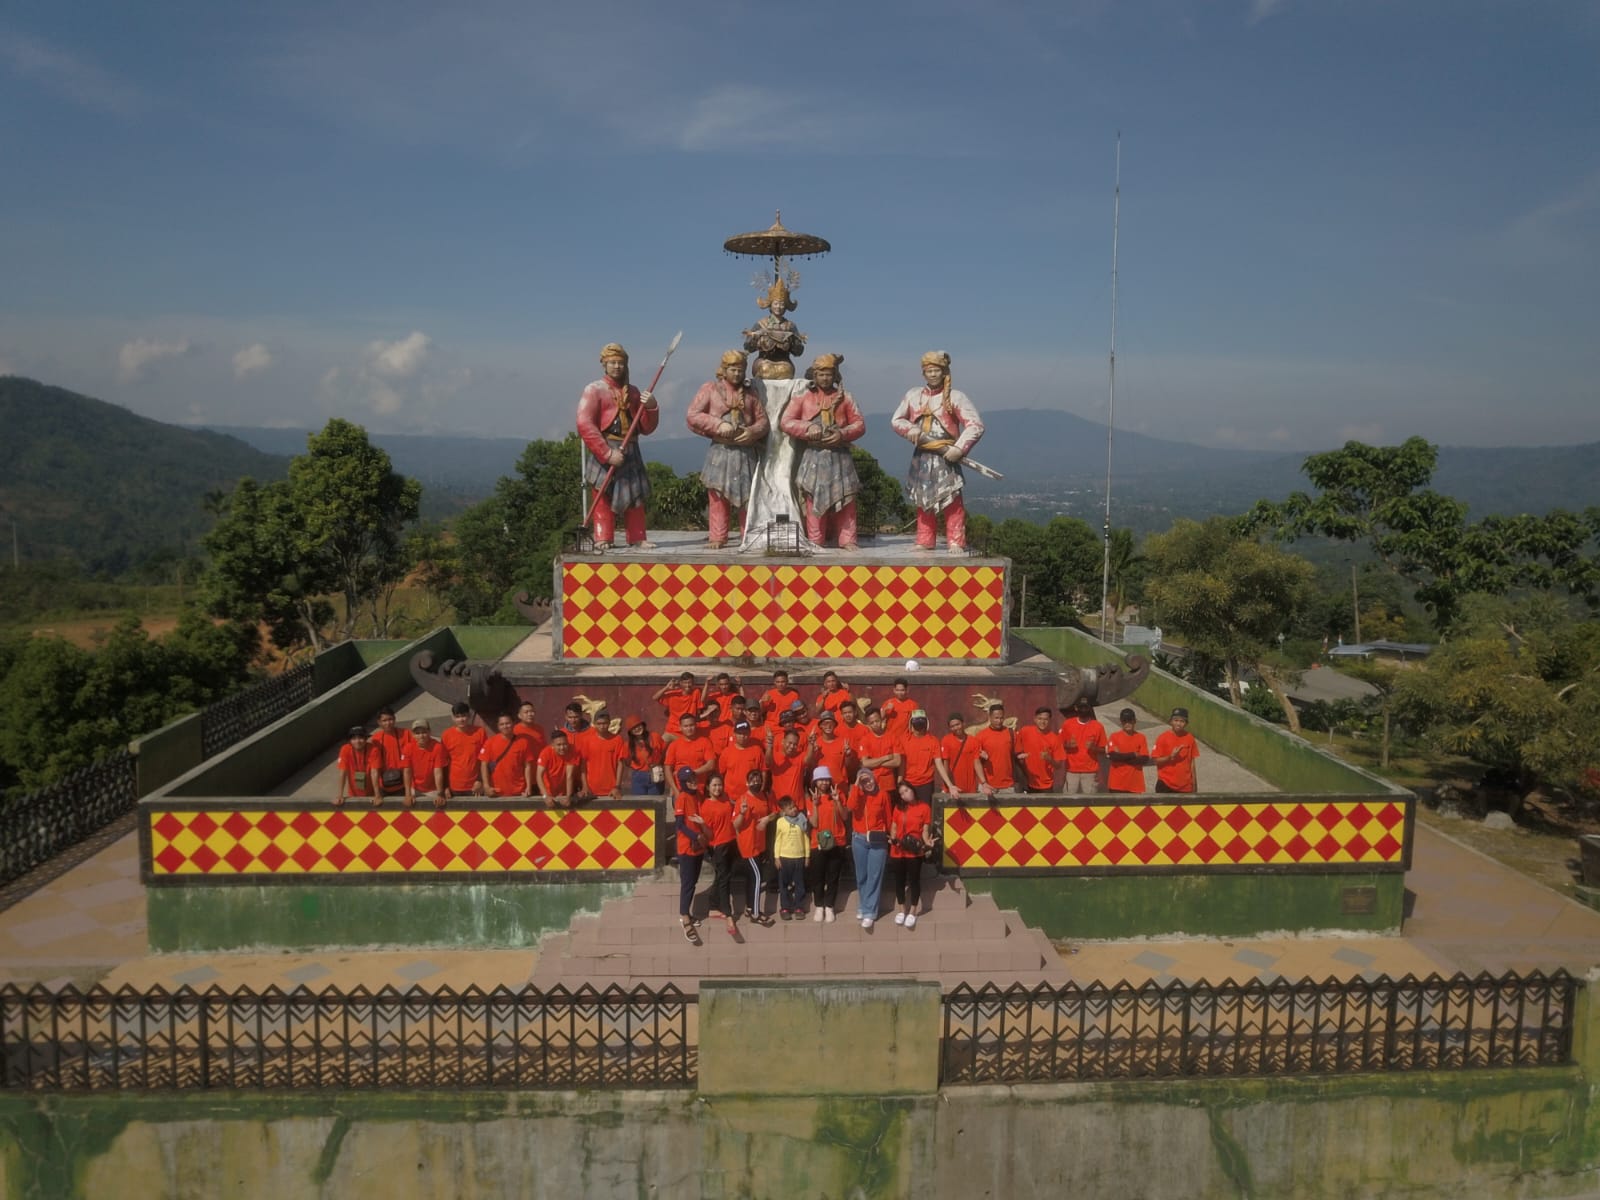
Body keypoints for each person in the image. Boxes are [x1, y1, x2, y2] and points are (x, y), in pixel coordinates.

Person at [889, 349, 985, 553]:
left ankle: (956, 541)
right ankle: (925, 539)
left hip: (946, 456)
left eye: (936, 370)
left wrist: (959, 448)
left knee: (952, 498)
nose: (933, 374)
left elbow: (975, 425)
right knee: (923, 498)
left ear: (944, 372)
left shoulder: (956, 397)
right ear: (923, 373)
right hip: (922, 455)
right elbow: (897, 420)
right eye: (929, 371)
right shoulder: (913, 395)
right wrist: (911, 428)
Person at [576, 342, 660, 549]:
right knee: (603, 494)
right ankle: (603, 536)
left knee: (635, 496)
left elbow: (645, 427)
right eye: (612, 363)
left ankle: (637, 536)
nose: (616, 367)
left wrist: (651, 407)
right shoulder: (594, 389)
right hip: (606, 446)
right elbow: (584, 423)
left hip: (630, 447)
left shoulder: (632, 392)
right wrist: (606, 453)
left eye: (620, 363)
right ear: (604, 365)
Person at [781, 353, 865, 549]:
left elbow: (859, 424)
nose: (825, 378)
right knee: (812, 499)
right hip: (814, 456)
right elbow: (786, 422)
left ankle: (847, 539)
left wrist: (843, 434)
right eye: (821, 374)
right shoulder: (802, 398)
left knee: (846, 499)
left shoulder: (846, 398)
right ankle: (815, 539)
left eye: (829, 374)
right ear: (814, 376)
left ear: (835, 376)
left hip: (840, 457)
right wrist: (808, 428)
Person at [687, 350, 770, 548]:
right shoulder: (710, 389)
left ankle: (747, 535)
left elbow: (763, 422)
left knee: (749, 498)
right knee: (717, 496)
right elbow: (693, 415)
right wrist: (717, 425)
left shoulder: (750, 393)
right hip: (720, 452)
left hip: (745, 453)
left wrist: (751, 432)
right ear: (724, 370)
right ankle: (718, 536)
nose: (737, 374)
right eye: (733, 369)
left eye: (740, 370)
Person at [846, 767, 891, 930]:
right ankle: (863, 906)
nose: (868, 783)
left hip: (877, 840)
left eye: (869, 779)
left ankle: (870, 912)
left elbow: (888, 817)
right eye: (864, 781)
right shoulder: (857, 794)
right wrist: (857, 785)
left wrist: (889, 836)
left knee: (874, 876)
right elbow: (850, 806)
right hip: (859, 839)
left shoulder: (883, 795)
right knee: (862, 875)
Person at [805, 766, 850, 923]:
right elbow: (814, 822)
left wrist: (837, 801)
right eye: (820, 780)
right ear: (815, 782)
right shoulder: (810, 799)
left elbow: (844, 816)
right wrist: (816, 805)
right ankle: (819, 905)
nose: (824, 782)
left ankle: (829, 906)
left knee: (833, 876)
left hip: (837, 841)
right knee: (818, 877)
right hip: (818, 843)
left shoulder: (838, 795)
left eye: (826, 779)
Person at [888, 780, 934, 929]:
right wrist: (893, 838)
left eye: (906, 791)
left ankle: (913, 911)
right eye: (901, 793)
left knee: (914, 881)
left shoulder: (924, 808)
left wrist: (927, 843)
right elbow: (894, 825)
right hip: (898, 849)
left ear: (912, 789)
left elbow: (925, 830)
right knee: (899, 881)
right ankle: (902, 910)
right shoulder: (898, 808)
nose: (905, 795)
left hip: (914, 851)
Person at [733, 769, 776, 926]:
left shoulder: (765, 796)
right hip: (748, 845)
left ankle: (750, 908)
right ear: (747, 782)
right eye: (752, 780)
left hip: (760, 844)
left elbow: (774, 813)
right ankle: (756, 913)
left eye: (758, 780)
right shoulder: (742, 800)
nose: (756, 782)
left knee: (752, 878)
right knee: (758, 878)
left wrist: (766, 819)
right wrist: (742, 814)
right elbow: (736, 825)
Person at [742, 277, 807, 380]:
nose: (779, 307)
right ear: (770, 305)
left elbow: (798, 352)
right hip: (763, 362)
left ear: (786, 306)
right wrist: (756, 338)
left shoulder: (790, 326)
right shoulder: (761, 323)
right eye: (776, 303)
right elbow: (748, 347)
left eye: (782, 304)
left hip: (784, 363)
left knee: (786, 371)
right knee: (765, 369)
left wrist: (793, 341)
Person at [700, 774, 740, 938]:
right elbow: (708, 833)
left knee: (723, 876)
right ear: (708, 788)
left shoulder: (726, 799)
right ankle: (728, 913)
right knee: (724, 879)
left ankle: (713, 906)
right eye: (714, 785)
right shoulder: (706, 806)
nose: (717, 788)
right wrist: (702, 825)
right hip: (718, 846)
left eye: (719, 785)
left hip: (731, 842)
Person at [672, 767, 707, 945]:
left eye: (693, 777)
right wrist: (695, 836)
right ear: (683, 783)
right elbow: (680, 825)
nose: (693, 781)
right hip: (687, 847)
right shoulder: (682, 798)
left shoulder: (698, 795)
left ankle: (688, 913)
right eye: (689, 779)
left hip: (698, 847)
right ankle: (684, 916)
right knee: (687, 883)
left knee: (693, 882)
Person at [900, 709, 955, 803]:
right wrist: (900, 783)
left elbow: (939, 764)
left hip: (926, 784)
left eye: (921, 720)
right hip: (908, 784)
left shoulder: (933, 741)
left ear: (926, 723)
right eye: (916, 721)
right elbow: (901, 764)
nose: (919, 723)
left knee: (925, 812)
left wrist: (950, 785)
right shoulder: (904, 740)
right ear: (911, 723)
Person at [771, 795, 810, 920]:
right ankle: (785, 908)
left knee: (799, 884)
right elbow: (777, 840)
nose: (794, 810)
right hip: (784, 858)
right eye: (790, 808)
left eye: (794, 807)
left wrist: (807, 856)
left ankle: (799, 907)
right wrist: (776, 858)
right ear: (783, 811)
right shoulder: (780, 822)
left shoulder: (802, 820)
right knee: (784, 885)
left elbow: (805, 839)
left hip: (798, 857)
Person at [575, 707, 627, 799]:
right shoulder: (586, 740)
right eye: (599, 724)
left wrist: (617, 786)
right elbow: (583, 766)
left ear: (609, 723)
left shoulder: (617, 740)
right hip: (591, 790)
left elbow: (620, 764)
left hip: (611, 791)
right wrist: (585, 786)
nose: (602, 726)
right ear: (594, 724)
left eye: (605, 723)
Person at [1060, 698, 1108, 794]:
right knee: (1069, 801)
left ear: (1090, 708)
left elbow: (1104, 750)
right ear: (1076, 708)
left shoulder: (1098, 726)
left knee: (1090, 802)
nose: (1083, 710)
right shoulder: (1067, 724)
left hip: (1090, 772)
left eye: (1086, 708)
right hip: (1071, 770)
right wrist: (1068, 745)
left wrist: (1094, 748)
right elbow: (1059, 745)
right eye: (1081, 707)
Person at [973, 702, 1022, 796]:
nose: (999, 721)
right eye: (996, 718)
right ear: (990, 717)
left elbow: (1017, 756)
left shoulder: (1011, 734)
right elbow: (976, 762)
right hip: (987, 786)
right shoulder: (981, 736)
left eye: (1001, 718)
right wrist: (984, 783)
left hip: (1008, 786)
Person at [440, 703, 487, 800]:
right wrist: (445, 787)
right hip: (454, 786)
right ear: (453, 718)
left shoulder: (480, 732)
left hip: (475, 786)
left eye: (464, 716)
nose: (461, 719)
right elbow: (443, 763)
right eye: (458, 717)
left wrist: (480, 780)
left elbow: (485, 760)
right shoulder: (446, 735)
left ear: (469, 716)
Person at [480, 713, 534, 797]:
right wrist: (486, 786)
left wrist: (528, 787)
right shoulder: (490, 742)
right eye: (502, 724)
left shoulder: (523, 742)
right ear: (498, 726)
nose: (505, 726)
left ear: (513, 724)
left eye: (508, 723)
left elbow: (527, 766)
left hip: (519, 792)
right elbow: (484, 765)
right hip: (496, 791)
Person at [401, 719, 450, 810]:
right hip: (414, 788)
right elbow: (407, 772)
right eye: (417, 733)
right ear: (413, 735)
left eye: (424, 732)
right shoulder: (408, 748)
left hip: (433, 789)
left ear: (429, 732)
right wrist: (408, 794)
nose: (421, 736)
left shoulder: (437, 747)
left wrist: (439, 793)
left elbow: (438, 772)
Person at [664, 712, 715, 797]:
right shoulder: (674, 745)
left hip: (699, 790)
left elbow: (711, 764)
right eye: (686, 726)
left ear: (696, 725)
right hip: (680, 790)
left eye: (691, 725)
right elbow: (667, 769)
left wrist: (693, 773)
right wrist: (675, 790)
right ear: (680, 728)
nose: (689, 728)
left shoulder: (705, 742)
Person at [1015, 706, 1063, 794]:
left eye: (1046, 719)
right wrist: (1019, 756)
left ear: (1050, 721)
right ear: (1035, 719)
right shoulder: (1025, 731)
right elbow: (1016, 752)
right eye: (1040, 718)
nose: (1042, 722)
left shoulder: (1055, 739)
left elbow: (1058, 765)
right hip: (1027, 782)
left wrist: (1049, 759)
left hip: (1046, 785)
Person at [856, 705, 903, 796]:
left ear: (881, 719)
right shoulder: (865, 739)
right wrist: (885, 758)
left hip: (889, 783)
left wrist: (874, 762)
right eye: (872, 722)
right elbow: (865, 763)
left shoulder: (892, 737)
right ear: (868, 724)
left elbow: (897, 762)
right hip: (871, 783)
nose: (875, 724)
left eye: (877, 721)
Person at [1152, 706, 1201, 793]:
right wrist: (1170, 757)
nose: (1178, 723)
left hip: (1185, 787)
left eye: (1182, 721)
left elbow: (1192, 763)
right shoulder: (1162, 738)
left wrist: (1194, 785)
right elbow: (1155, 761)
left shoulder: (1190, 738)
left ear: (1186, 723)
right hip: (1165, 785)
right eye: (1176, 720)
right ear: (1171, 722)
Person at [718, 721, 768, 805]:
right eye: (740, 733)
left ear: (749, 734)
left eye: (745, 733)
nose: (742, 736)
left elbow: (763, 770)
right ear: (734, 734)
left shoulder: (757, 750)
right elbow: (721, 774)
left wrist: (762, 787)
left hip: (752, 795)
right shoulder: (726, 752)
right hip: (731, 797)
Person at [369, 707, 414, 800]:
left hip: (404, 784)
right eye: (384, 720)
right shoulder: (376, 739)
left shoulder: (406, 733)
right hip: (384, 785)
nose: (388, 723)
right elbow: (374, 767)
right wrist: (377, 794)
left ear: (394, 719)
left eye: (390, 719)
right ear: (379, 722)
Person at [1105, 708, 1151, 795]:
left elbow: (1144, 759)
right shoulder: (1114, 736)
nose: (1127, 723)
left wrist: (1121, 757)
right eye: (1124, 721)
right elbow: (1113, 757)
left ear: (1135, 721)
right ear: (1121, 722)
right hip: (1117, 784)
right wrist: (1133, 754)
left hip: (1134, 784)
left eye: (1130, 720)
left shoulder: (1141, 737)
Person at [334, 725, 382, 809]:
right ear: (350, 740)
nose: (357, 741)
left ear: (366, 739)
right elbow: (343, 772)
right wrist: (340, 795)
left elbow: (374, 772)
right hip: (353, 793)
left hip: (371, 792)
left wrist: (377, 795)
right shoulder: (345, 749)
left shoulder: (373, 749)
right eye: (354, 739)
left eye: (361, 738)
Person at [767, 724, 813, 808]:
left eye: (795, 744)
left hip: (797, 806)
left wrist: (811, 744)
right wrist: (769, 746)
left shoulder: (800, 756)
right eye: (790, 743)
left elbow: (808, 760)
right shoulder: (775, 756)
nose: (792, 746)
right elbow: (767, 763)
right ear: (783, 741)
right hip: (779, 806)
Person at [536, 727, 582, 807]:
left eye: (564, 744)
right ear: (552, 745)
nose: (562, 748)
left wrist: (568, 796)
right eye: (559, 745)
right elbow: (539, 775)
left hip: (564, 792)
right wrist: (545, 796)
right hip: (548, 792)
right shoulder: (545, 753)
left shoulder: (572, 750)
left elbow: (569, 776)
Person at [654, 672, 704, 740]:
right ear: (680, 683)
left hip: (687, 732)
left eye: (690, 683)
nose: (688, 685)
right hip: (671, 731)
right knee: (660, 744)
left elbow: (703, 700)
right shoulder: (673, 694)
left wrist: (707, 682)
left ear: (693, 683)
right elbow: (655, 698)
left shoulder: (696, 692)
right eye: (685, 683)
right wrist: (667, 687)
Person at [941, 712, 982, 795]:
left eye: (957, 724)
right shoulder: (946, 740)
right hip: (953, 787)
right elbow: (945, 765)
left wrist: (983, 782)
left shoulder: (974, 741)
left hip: (970, 788)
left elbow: (977, 763)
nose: (956, 728)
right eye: (952, 726)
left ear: (963, 723)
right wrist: (947, 785)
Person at [625, 714, 666, 795]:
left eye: (638, 725)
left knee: (655, 804)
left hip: (656, 773)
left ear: (643, 725)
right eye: (633, 728)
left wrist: (658, 764)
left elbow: (664, 752)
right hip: (639, 776)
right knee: (640, 805)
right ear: (630, 732)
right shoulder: (628, 745)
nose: (637, 729)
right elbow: (626, 761)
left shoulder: (655, 736)